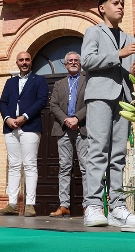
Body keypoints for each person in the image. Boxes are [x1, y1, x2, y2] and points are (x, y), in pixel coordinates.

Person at [81, 0, 135, 228]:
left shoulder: (130, 38)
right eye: (115, 3)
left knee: (119, 154)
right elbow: (86, 61)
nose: (120, 7)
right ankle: (94, 205)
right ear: (102, 8)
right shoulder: (93, 32)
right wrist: (119, 54)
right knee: (98, 149)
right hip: (99, 95)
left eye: (121, 4)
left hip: (124, 98)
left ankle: (118, 206)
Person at [0, 52, 48, 217]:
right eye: (21, 60)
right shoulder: (10, 82)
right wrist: (7, 118)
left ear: (31, 62)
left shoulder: (40, 80)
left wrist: (24, 117)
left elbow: (42, 101)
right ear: (17, 63)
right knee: (14, 165)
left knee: (30, 165)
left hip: (30, 126)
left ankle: (30, 205)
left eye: (27, 60)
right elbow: (3, 102)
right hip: (10, 128)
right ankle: (12, 204)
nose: (24, 62)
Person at [49, 51, 88, 218]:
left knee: (86, 167)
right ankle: (64, 205)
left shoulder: (87, 80)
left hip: (82, 127)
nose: (73, 62)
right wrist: (66, 120)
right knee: (64, 167)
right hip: (63, 129)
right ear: (65, 65)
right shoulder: (59, 84)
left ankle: (89, 205)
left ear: (80, 63)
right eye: (70, 61)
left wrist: (77, 118)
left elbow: (91, 102)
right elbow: (53, 105)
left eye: (76, 60)